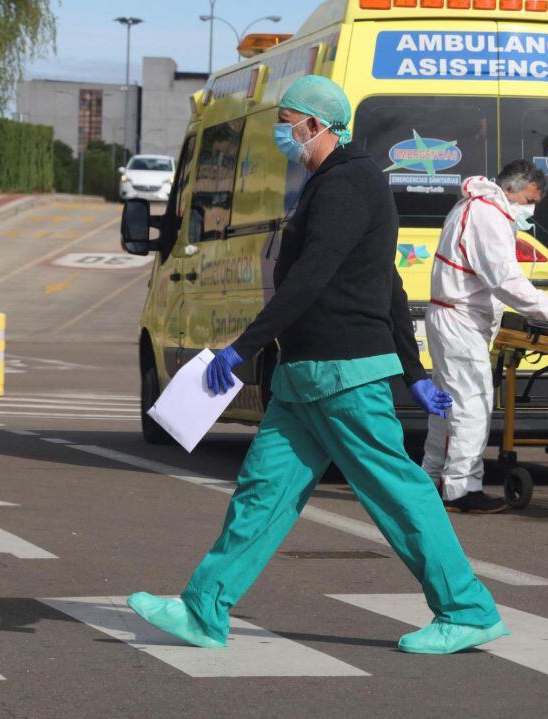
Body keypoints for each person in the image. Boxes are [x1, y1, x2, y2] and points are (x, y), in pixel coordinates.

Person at [126, 76, 510, 656]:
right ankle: (204, 611)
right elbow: (386, 283)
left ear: (317, 124)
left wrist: (242, 348)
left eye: (288, 122)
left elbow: (314, 277)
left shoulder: (349, 183)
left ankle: (468, 609)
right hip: (305, 378)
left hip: (343, 374)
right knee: (261, 494)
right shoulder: (331, 181)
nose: (284, 133)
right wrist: (414, 373)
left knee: (399, 494)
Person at [422, 162, 548, 513]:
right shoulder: (487, 214)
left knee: (445, 406)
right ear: (510, 190)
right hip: (460, 320)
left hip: (453, 317)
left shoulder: (473, 205)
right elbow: (505, 281)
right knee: (472, 405)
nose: (530, 208)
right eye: (529, 199)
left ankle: (429, 477)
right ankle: (461, 488)